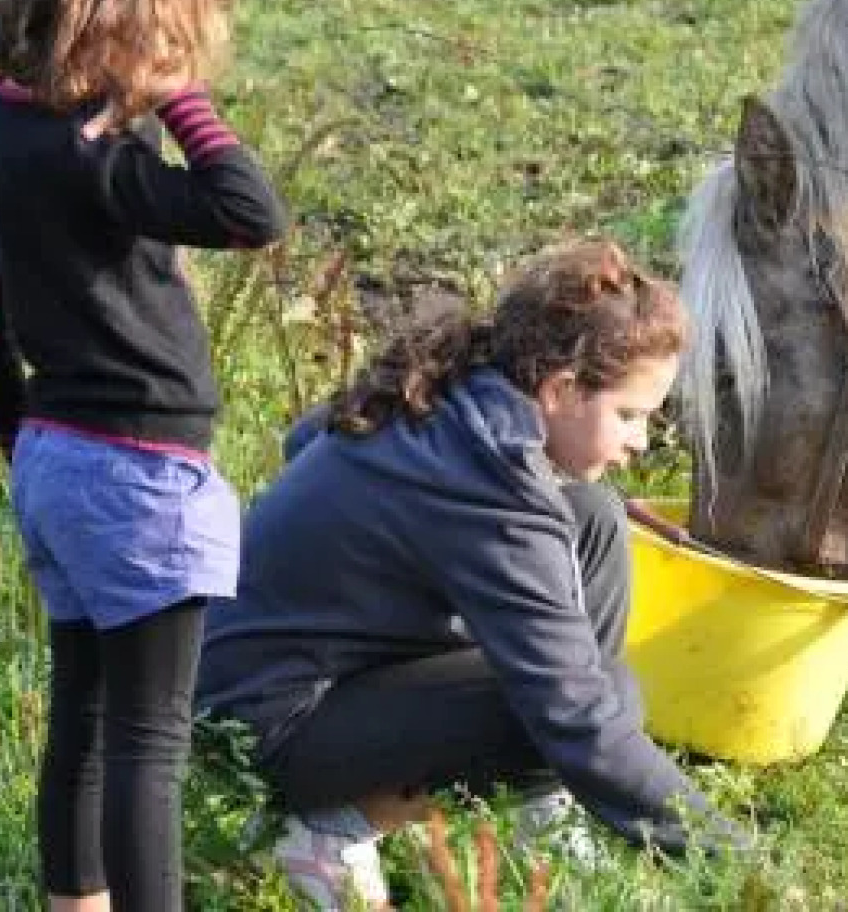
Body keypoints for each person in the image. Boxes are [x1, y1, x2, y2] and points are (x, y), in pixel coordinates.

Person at [197, 239, 748, 910]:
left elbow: (303, 440)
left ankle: (543, 804)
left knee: (594, 517)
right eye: (629, 415)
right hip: (264, 724)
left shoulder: (457, 386)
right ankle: (328, 828)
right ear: (560, 389)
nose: (640, 440)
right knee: (591, 702)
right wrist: (740, 865)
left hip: (287, 670)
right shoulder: (489, 484)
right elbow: (576, 717)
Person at [0, 0, 285, 912]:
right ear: (127, 24)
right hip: (143, 473)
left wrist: (25, 438)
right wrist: (180, 98)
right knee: (149, 740)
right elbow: (248, 213)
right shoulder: (96, 156)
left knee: (81, 723)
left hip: (55, 460)